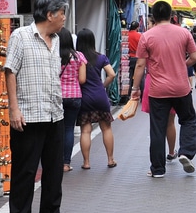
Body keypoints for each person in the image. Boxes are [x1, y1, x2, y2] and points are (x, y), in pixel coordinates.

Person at [3, 0, 70, 213]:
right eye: (62, 13)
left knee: (54, 172)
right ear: (50, 14)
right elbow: (10, 71)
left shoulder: (57, 39)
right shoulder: (21, 36)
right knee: (24, 172)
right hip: (28, 116)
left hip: (54, 115)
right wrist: (13, 108)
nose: (64, 18)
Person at [131, 1, 196, 178]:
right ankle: (185, 152)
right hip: (181, 88)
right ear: (171, 16)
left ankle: (158, 169)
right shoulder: (184, 33)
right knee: (188, 120)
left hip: (157, 90)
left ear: (153, 16)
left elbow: (140, 65)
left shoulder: (147, 36)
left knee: (157, 129)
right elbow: (195, 57)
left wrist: (135, 88)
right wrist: (182, 65)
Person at [76, 28, 117, 169]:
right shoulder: (100, 57)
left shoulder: (78, 58)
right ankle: (110, 159)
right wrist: (103, 86)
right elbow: (112, 74)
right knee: (106, 129)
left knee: (85, 131)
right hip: (100, 96)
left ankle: (86, 162)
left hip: (85, 97)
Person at [57, 28, 86, 172]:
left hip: (57, 97)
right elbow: (82, 79)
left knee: (56, 130)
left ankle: (54, 162)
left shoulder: (54, 55)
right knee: (69, 129)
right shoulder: (79, 56)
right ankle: (66, 164)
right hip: (74, 96)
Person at [127, 21, 142, 87]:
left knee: (129, 77)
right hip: (137, 58)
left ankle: (127, 94)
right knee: (139, 77)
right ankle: (141, 93)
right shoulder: (139, 36)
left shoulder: (126, 35)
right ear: (137, 27)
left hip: (128, 58)